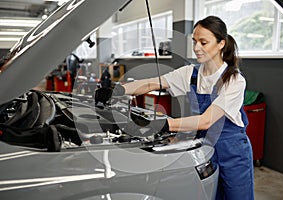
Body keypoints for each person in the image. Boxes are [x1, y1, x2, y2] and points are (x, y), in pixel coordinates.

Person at [96, 15, 254, 200]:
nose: (196, 48)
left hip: (232, 152)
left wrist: (162, 124)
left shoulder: (234, 80)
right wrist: (119, 90)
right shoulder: (191, 73)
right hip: (204, 147)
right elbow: (153, 83)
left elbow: (206, 121)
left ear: (221, 44)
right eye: (195, 41)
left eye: (203, 42)